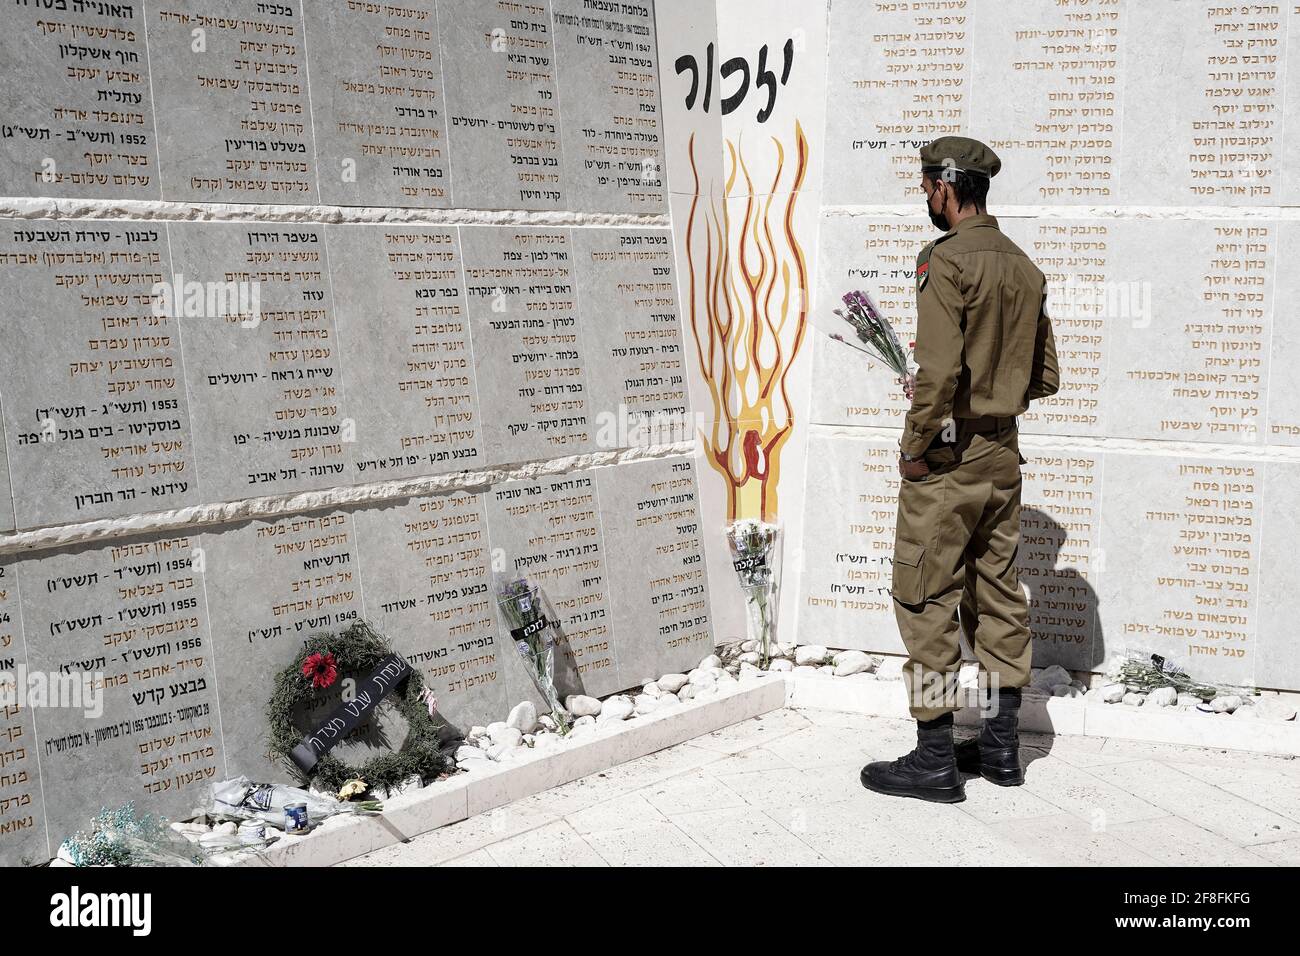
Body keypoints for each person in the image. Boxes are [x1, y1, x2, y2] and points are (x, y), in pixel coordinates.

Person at [860, 136, 1059, 803]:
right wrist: (996, 407)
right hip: (1002, 455)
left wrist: (918, 445)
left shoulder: (944, 261)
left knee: (924, 602)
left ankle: (935, 757)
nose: (923, 196)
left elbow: (938, 372)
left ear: (947, 187)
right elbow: (1045, 376)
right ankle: (1002, 753)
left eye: (925, 186)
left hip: (946, 457)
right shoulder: (1024, 267)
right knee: (999, 593)